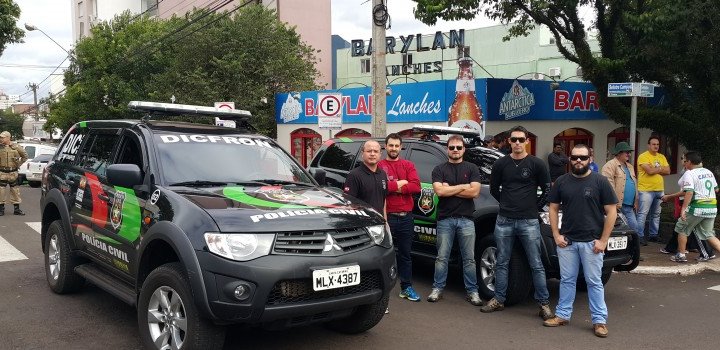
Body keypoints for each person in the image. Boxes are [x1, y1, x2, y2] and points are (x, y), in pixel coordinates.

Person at [543, 144, 617, 338]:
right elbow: (553, 208)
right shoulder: (561, 181)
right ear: (570, 159)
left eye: (583, 158)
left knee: (594, 282)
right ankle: (562, 315)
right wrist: (556, 235)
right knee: (567, 280)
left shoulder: (600, 181)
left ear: (589, 159)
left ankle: (599, 321)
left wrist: (603, 240)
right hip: (567, 242)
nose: (578, 161)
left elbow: (611, 212)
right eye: (575, 157)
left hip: (592, 243)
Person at [480, 126, 553, 320]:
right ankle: (499, 299)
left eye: (521, 139)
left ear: (527, 141)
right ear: (509, 141)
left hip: (529, 221)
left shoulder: (537, 164)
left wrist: (533, 207)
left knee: (536, 263)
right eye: (514, 140)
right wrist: (507, 204)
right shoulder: (501, 164)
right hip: (504, 220)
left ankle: (544, 304)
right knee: (502, 261)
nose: (518, 143)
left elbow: (547, 190)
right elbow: (495, 189)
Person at [427, 135, 482, 306]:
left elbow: (475, 193)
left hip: (466, 219)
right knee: (441, 257)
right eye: (452, 148)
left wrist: (448, 188)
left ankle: (473, 292)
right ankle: (437, 289)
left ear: (464, 149)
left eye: (459, 147)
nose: (455, 150)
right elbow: (439, 192)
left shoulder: (472, 168)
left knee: (469, 259)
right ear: (447, 149)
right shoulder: (439, 169)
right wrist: (463, 186)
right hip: (445, 219)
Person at [378, 134, 422, 302]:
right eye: (391, 145)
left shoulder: (408, 165)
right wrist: (401, 183)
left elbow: (416, 186)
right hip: (386, 217)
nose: (394, 148)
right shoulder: (380, 166)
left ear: (401, 147)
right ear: (385, 146)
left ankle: (406, 287)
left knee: (405, 255)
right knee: (383, 256)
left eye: (397, 146)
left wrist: (395, 187)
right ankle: (382, 295)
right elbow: (381, 187)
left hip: (406, 218)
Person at [668, 151, 720, 263]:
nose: (685, 164)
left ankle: (681, 255)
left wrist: (683, 209)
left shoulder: (689, 173)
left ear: (690, 162)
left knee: (682, 228)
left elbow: (689, 192)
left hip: (697, 207)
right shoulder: (708, 172)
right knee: (708, 234)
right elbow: (716, 189)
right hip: (711, 207)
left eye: (685, 161)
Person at [636, 136, 670, 244]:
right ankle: (639, 236)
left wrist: (655, 169)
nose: (656, 146)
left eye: (657, 144)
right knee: (642, 214)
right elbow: (649, 171)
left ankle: (653, 235)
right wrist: (660, 169)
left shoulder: (662, 157)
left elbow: (668, 171)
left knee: (656, 214)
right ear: (648, 145)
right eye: (653, 144)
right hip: (646, 190)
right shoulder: (643, 156)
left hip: (659, 189)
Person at [601, 142, 639, 234]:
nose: (629, 154)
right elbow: (608, 185)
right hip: (616, 206)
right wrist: (613, 202)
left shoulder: (630, 166)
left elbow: (634, 183)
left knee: (634, 229)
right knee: (615, 231)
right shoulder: (610, 165)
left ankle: (632, 248)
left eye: (629, 152)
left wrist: (636, 200)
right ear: (619, 153)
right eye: (626, 152)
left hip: (629, 206)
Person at [0, 131, 28, 216]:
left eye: (3, 137)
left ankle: (17, 209)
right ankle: (1, 209)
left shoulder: (16, 147)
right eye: (0, 137)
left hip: (13, 172)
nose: (1, 139)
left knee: (15, 191)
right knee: (1, 191)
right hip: (2, 172)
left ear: (8, 138)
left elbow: (25, 156)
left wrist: (18, 164)